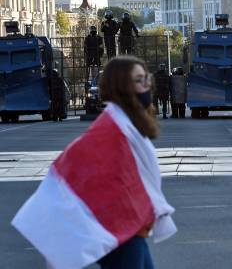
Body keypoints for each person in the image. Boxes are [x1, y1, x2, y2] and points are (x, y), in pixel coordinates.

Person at [12, 56, 177, 269]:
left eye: (147, 79)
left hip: (129, 228)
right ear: (121, 87)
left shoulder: (124, 124)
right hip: (120, 229)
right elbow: (84, 170)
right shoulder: (112, 129)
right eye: (139, 80)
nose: (146, 86)